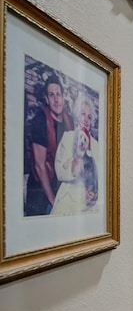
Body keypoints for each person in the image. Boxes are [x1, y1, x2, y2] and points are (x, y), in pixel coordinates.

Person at [25, 74, 72, 216]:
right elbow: (40, 166)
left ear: (63, 97)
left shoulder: (69, 120)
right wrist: (53, 199)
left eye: (58, 94)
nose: (56, 99)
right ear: (46, 99)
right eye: (51, 95)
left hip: (59, 184)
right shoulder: (40, 120)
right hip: (40, 188)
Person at [51, 92, 99, 215]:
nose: (86, 119)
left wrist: (94, 192)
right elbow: (59, 173)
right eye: (83, 114)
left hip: (89, 204)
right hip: (68, 198)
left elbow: (98, 177)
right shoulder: (68, 137)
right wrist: (74, 165)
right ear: (77, 116)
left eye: (89, 117)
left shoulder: (96, 145)